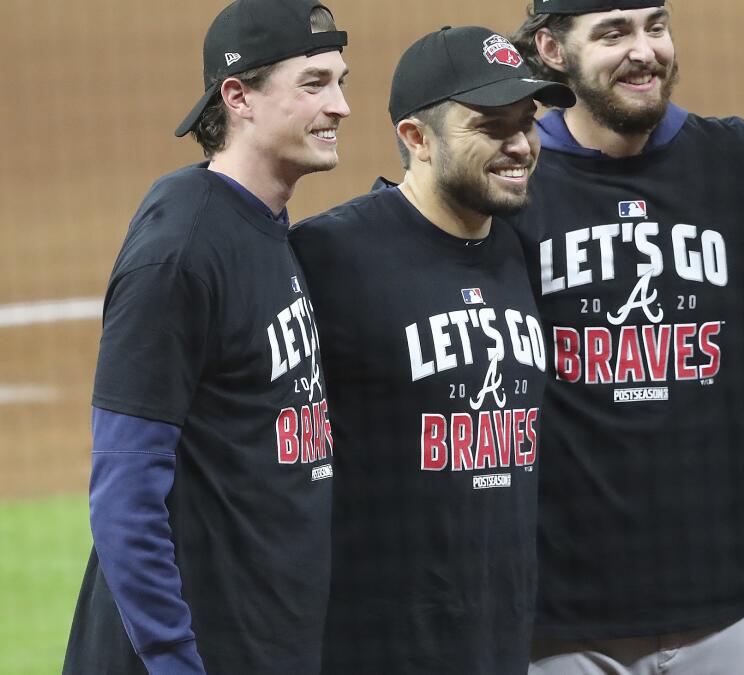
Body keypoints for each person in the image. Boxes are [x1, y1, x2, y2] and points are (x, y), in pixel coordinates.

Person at [61, 1, 348, 673]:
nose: (340, 106)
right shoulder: (181, 250)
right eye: (314, 84)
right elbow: (124, 494)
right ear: (238, 96)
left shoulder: (265, 230)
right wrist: (174, 660)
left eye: (341, 81)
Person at [288, 26, 574, 674]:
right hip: (372, 649)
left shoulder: (519, 250)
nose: (519, 145)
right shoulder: (330, 258)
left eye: (526, 123)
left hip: (495, 648)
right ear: (416, 138)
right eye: (490, 126)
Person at [509, 2, 744, 672]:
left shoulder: (734, 160)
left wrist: (713, 402)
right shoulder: (517, 177)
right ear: (551, 48)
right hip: (561, 622)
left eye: (654, 26)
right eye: (612, 33)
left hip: (718, 603)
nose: (644, 51)